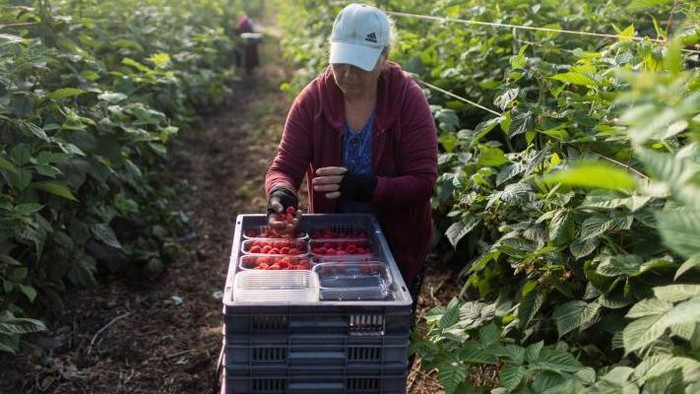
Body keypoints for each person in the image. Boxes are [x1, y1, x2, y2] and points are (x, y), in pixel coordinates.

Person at [264, 3, 437, 306]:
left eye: (360, 64)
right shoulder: (313, 100)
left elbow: (423, 182)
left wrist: (366, 186)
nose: (347, 74)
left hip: (399, 243)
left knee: (390, 332)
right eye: (341, 62)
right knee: (338, 325)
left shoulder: (408, 100)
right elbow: (284, 167)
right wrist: (281, 194)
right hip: (334, 240)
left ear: (384, 57)